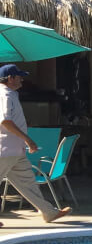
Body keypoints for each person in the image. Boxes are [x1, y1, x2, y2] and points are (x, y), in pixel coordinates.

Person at [0, 64, 71, 224]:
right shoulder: (5, 95)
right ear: (10, 78)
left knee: (28, 183)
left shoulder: (9, 94)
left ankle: (48, 212)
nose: (22, 80)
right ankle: (48, 212)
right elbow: (5, 121)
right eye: (19, 76)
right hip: (5, 150)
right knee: (28, 183)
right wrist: (28, 139)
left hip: (14, 150)